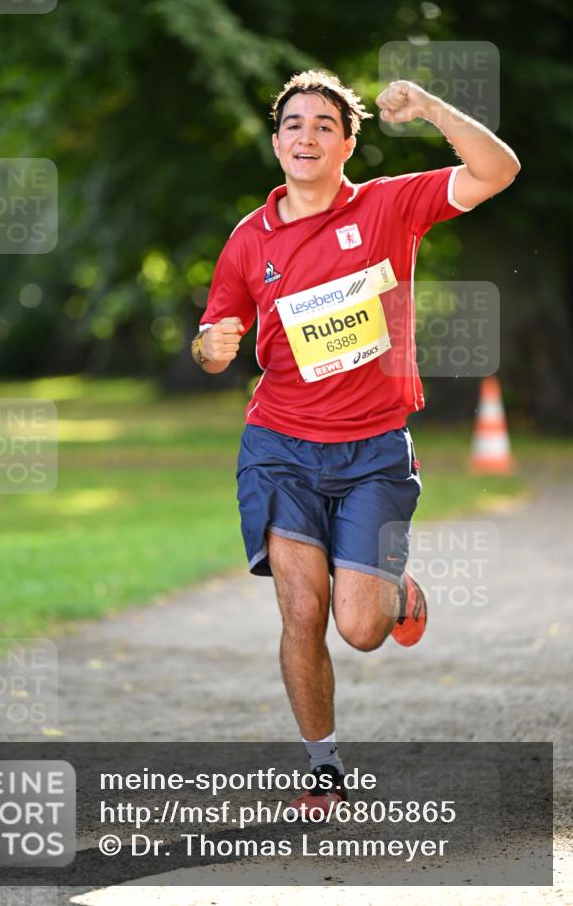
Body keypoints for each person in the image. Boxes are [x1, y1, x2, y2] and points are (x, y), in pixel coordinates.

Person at [190, 70, 520, 814]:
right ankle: (322, 767)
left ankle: (394, 591)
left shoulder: (387, 206)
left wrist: (430, 107)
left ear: (346, 144)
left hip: (373, 449)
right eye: (293, 125)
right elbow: (213, 339)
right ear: (276, 142)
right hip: (278, 446)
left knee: (362, 629)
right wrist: (210, 346)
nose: (306, 136)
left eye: (324, 126)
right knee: (302, 613)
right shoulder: (248, 238)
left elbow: (497, 171)